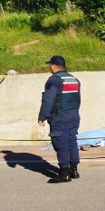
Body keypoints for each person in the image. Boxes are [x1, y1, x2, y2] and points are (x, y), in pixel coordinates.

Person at [38, 55, 81, 184]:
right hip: (73, 116)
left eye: (50, 65)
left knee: (61, 144)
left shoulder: (54, 80)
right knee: (71, 142)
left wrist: (42, 116)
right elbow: (77, 99)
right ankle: (74, 170)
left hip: (60, 118)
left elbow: (48, 100)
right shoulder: (74, 79)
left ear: (53, 66)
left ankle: (64, 173)